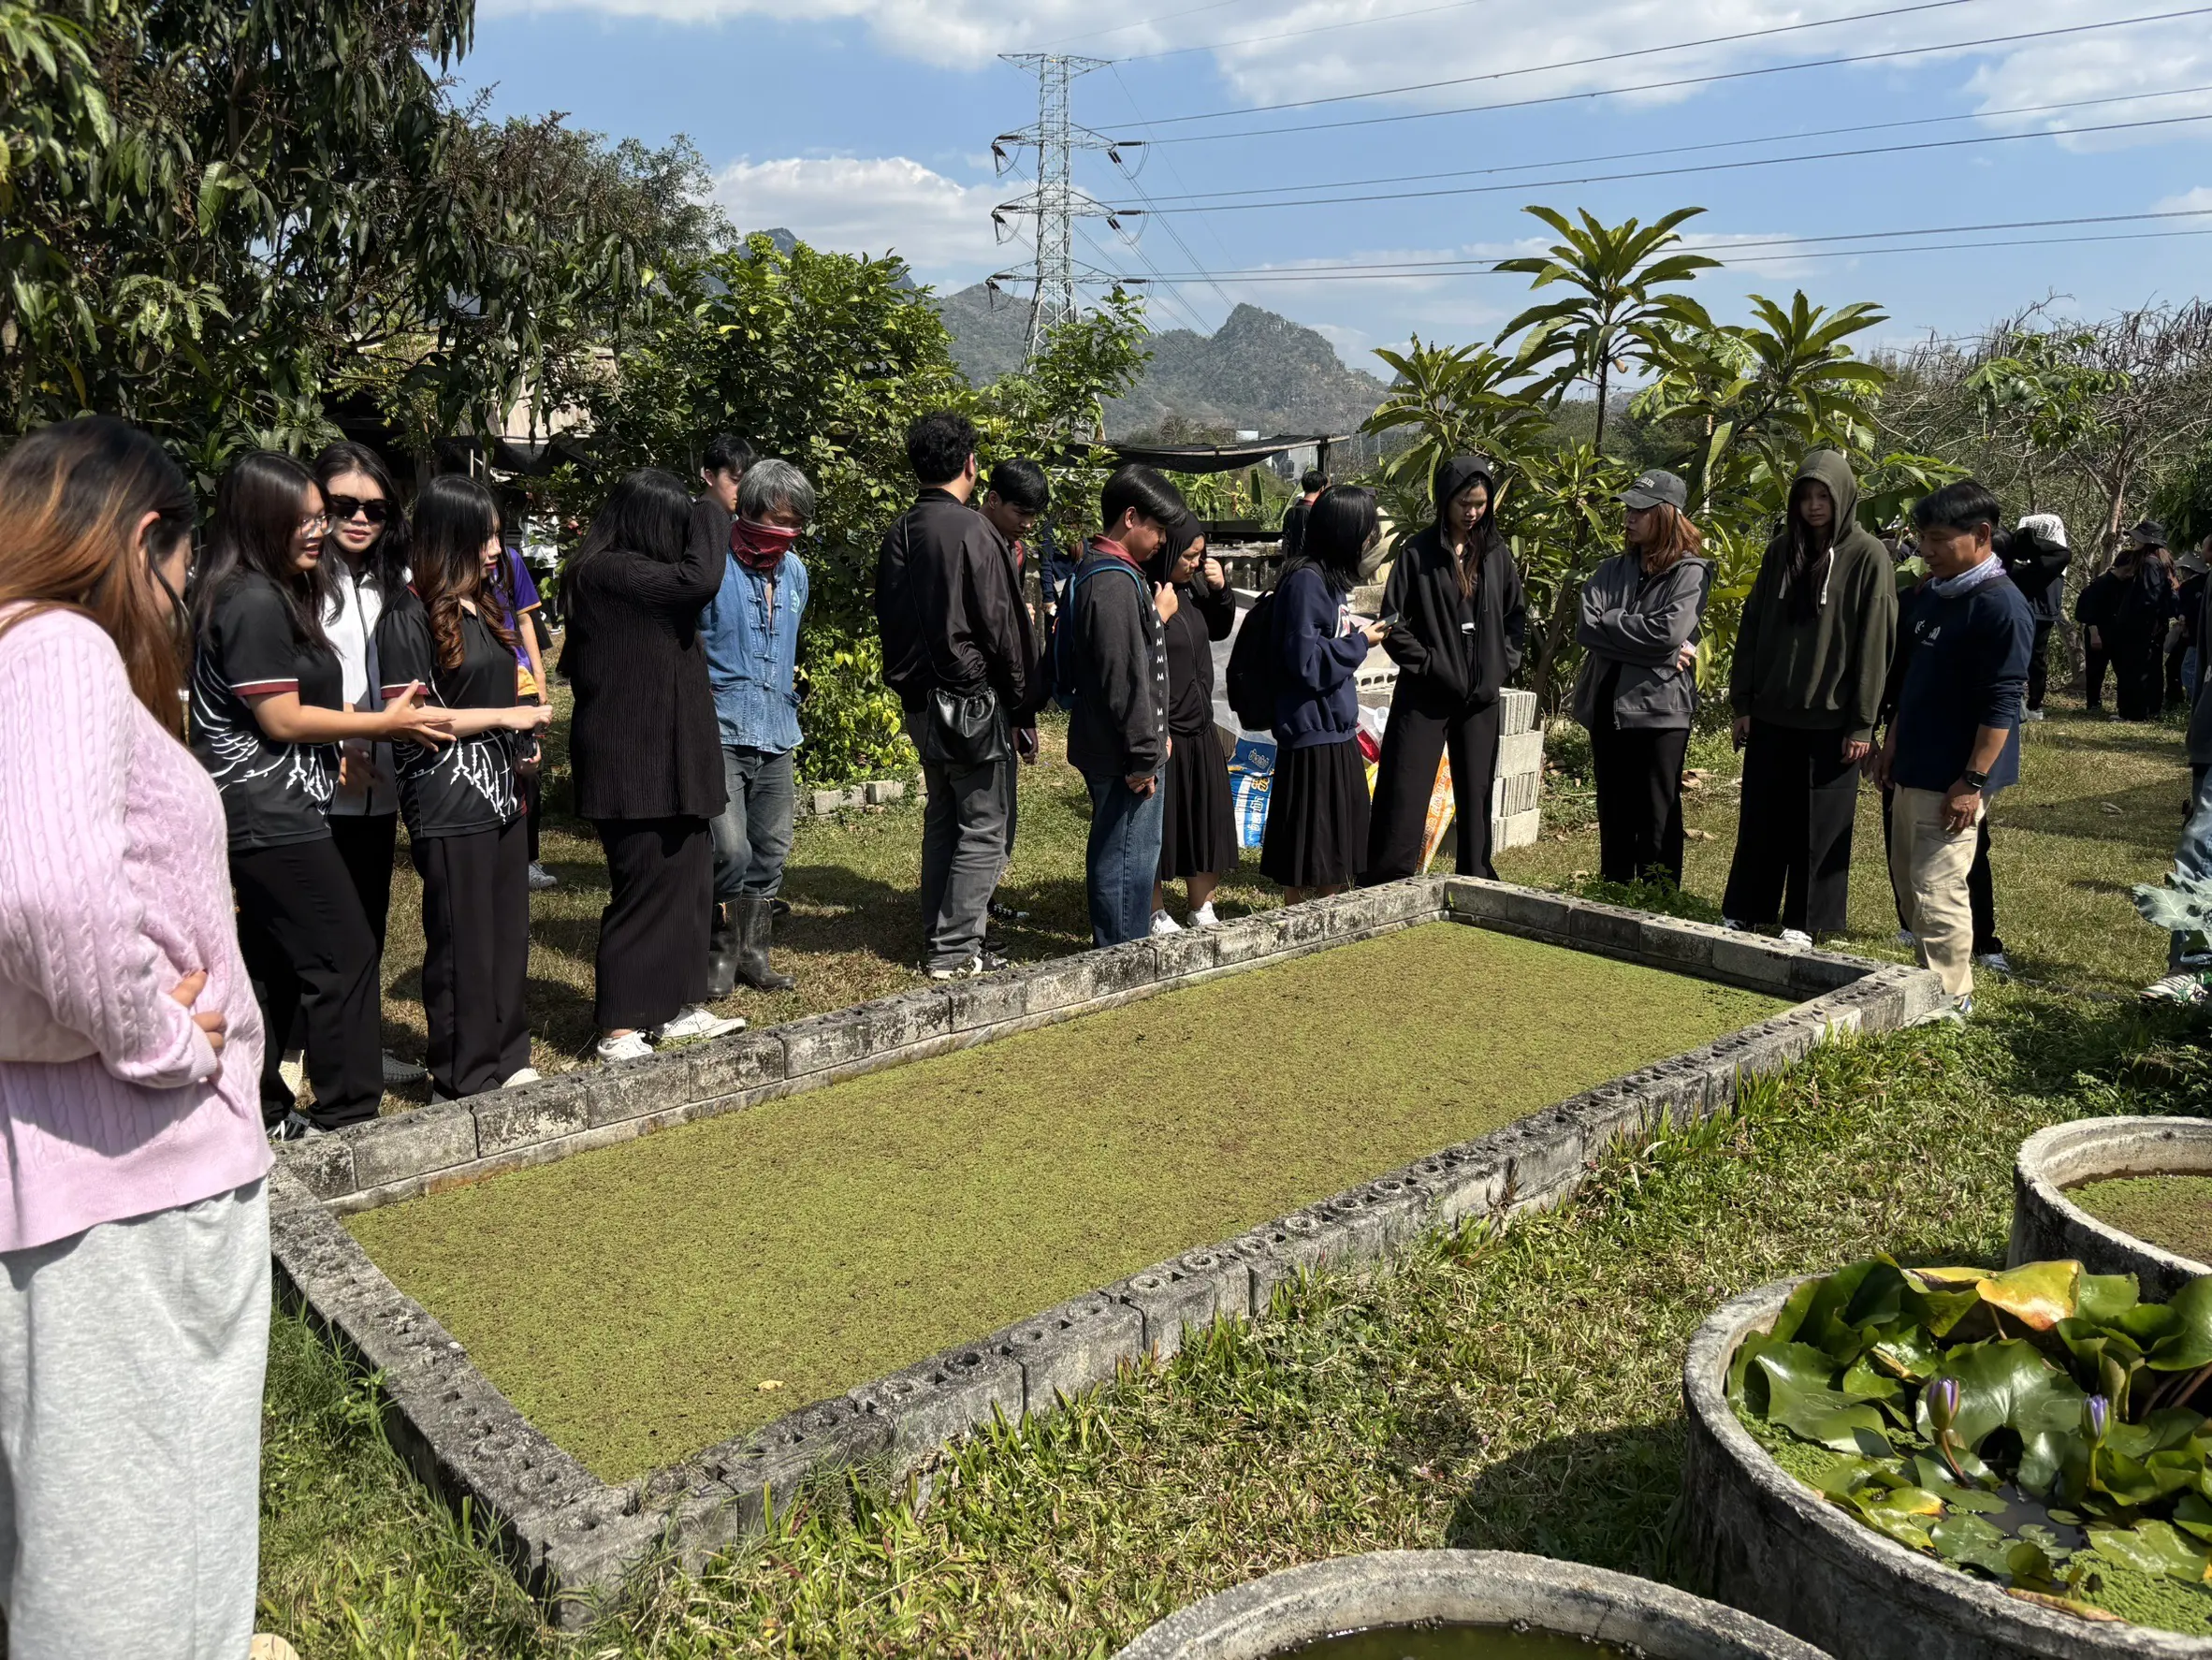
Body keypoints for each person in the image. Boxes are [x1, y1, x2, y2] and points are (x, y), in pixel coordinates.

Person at [0, 416, 277, 1660]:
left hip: (62, 1166)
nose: (179, 606)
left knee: (79, 1512)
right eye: (181, 575)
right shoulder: (58, 649)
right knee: (138, 1529)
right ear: (146, 539)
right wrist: (160, 1038)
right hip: (129, 1174)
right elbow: (47, 900)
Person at [190, 451, 452, 1136]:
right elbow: (279, 718)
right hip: (265, 812)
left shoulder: (276, 591)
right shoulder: (249, 598)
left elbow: (283, 712)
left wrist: (333, 753)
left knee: (276, 961)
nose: (323, 529)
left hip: (285, 805)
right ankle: (347, 1115)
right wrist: (382, 724)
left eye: (322, 516)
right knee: (344, 953)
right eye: (312, 516)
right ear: (261, 518)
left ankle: (264, 1108)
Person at [377, 477, 550, 1100]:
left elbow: (505, 688)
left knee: (507, 931)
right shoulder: (407, 615)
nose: (494, 549)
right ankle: (465, 1069)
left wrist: (522, 737)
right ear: (448, 537)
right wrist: (509, 719)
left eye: (497, 534)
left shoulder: (487, 602)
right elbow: (414, 721)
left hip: (503, 791)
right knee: (463, 939)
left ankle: (509, 1051)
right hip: (448, 801)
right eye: (483, 536)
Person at [562, 468, 743, 1061]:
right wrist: (716, 507)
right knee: (643, 885)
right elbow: (701, 578)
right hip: (632, 762)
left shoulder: (637, 576)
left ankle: (674, 1006)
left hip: (675, 755)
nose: (683, 538)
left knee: (689, 880)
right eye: (677, 526)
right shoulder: (607, 573)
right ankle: (619, 1025)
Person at [875, 411, 1033, 979]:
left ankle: (941, 931)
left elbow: (889, 618)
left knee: (944, 814)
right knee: (986, 824)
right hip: (972, 701)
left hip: (919, 702)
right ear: (971, 464)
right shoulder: (973, 531)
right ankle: (955, 949)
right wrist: (1022, 702)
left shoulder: (901, 530)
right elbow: (1002, 630)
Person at [1870, 479, 2032, 1019]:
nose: (1928, 551)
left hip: (1954, 776)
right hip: (1913, 764)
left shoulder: (1999, 606)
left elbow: (2003, 704)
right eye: (1922, 539)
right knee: (1911, 886)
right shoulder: (1932, 598)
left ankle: (1949, 1002)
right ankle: (1924, 988)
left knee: (1938, 889)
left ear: (1981, 535)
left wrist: (1974, 781)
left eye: (1939, 539)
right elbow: (1911, 684)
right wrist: (1891, 743)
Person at [1722, 449, 1898, 943]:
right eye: (1806, 497)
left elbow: (1875, 643)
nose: (1815, 506)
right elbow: (1753, 626)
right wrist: (1744, 703)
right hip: (1773, 712)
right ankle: (1746, 908)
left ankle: (1806, 919)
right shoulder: (1781, 550)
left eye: (1824, 496)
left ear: (1842, 499)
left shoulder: (1868, 556)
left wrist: (1863, 722)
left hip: (1832, 719)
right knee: (1761, 817)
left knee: (1819, 825)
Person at [311, 441, 424, 1088]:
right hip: (312, 786)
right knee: (316, 935)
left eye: (375, 509)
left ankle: (358, 1048)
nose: (358, 519)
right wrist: (341, 745)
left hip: (380, 789)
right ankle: (301, 1059)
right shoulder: (296, 581)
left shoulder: (393, 581)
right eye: (343, 505)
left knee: (367, 923)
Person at [1365, 455, 1527, 883]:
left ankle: (1475, 876)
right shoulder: (1417, 553)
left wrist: (1498, 668)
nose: (1472, 512)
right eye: (1463, 504)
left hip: (1480, 698)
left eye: (1480, 503)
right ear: (1444, 501)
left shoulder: (1496, 554)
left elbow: (1516, 619)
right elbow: (1393, 624)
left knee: (1476, 792)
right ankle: (1388, 879)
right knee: (1405, 786)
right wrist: (1432, 666)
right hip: (1425, 692)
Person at [700, 458, 814, 997]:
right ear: (744, 512)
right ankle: (714, 950)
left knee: (771, 848)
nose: (782, 535)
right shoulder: (712, 565)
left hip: (777, 731)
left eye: (793, 525)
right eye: (774, 522)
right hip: (719, 728)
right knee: (729, 849)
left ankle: (753, 954)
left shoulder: (795, 573)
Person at [1572, 470, 1712, 887]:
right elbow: (1586, 628)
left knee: (1657, 811)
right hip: (1606, 703)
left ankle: (1660, 897)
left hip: (1660, 709)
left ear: (1666, 515)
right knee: (1613, 807)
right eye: (1628, 509)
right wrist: (1661, 651)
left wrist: (1615, 625)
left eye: (1641, 511)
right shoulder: (1611, 569)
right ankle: (1613, 889)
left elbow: (1668, 631)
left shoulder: (1691, 573)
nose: (1629, 518)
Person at [1065, 466, 1184, 946]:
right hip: (1121, 754)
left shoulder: (1105, 571)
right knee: (1127, 859)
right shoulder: (1113, 583)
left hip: (1117, 744)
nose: (1161, 542)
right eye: (1157, 529)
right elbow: (1125, 680)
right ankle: (1119, 956)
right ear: (1130, 517)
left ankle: (1119, 945)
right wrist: (1142, 754)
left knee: (1126, 852)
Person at [1266, 485, 1388, 901]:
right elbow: (1303, 662)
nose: (1370, 541)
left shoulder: (1330, 581)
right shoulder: (1305, 582)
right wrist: (1361, 643)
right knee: (1307, 849)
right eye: (1367, 532)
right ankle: (1298, 921)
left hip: (1336, 728)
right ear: (1345, 532)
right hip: (1311, 732)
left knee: (1336, 847)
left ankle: (1326, 920)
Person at [1152, 511, 1238, 933]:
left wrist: (1220, 590)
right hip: (1164, 727)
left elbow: (1220, 629)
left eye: (1200, 556)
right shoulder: (1150, 591)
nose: (1194, 563)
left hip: (1200, 723)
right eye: (1188, 555)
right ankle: (1153, 910)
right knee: (1161, 825)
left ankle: (1200, 905)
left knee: (1204, 818)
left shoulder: (1193, 589)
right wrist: (1158, 615)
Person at [978, 459, 1055, 926]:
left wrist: (1024, 714)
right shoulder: (976, 545)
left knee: (1001, 813)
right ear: (992, 500)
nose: (1026, 523)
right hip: (980, 700)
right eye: (1019, 512)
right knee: (984, 818)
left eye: (1033, 515)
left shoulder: (1013, 548)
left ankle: (982, 902)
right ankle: (970, 916)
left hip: (1008, 701)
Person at [495, 536, 557, 892]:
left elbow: (525, 618)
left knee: (528, 763)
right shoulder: (447, 561)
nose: (491, 545)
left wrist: (539, 673)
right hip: (473, 675)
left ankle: (528, 858)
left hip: (518, 677)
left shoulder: (509, 559)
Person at [2099, 522, 2177, 721]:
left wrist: (2136, 622)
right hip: (2150, 627)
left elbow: (2149, 598)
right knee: (2149, 668)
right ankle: (2149, 709)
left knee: (2135, 669)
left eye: (2138, 537)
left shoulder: (2149, 564)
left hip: (2142, 628)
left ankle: (2134, 712)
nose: (2134, 541)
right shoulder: (2159, 563)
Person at [1996, 512, 2070, 722]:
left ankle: (2033, 704)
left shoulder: (2046, 564)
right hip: (2031, 613)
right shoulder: (2019, 566)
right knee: (2020, 658)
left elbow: (2061, 555)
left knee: (2035, 661)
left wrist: (2032, 542)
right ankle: (2019, 703)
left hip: (2041, 615)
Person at [2174, 542, 2209, 712]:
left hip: (2195, 634)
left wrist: (2184, 625)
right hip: (2206, 633)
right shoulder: (2207, 581)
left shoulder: (2187, 587)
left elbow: (2184, 611)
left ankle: (2200, 703)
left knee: (2188, 669)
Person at [700, 432, 753, 517]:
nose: (742, 490)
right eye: (735, 480)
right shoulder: (685, 518)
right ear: (710, 477)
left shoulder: (744, 522)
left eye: (746, 482)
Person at [1278, 467, 1325, 564]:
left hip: (1290, 564)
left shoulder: (1290, 512)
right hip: (1310, 565)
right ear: (1322, 489)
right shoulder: (1317, 512)